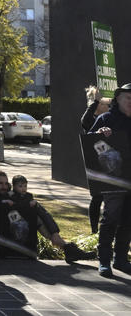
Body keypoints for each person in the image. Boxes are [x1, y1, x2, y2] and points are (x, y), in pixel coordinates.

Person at [0, 171, 94, 268]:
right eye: (0, 183)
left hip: (11, 230)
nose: (4, 186)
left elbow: (42, 212)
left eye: (6, 183)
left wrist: (54, 232)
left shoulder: (13, 195)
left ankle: (67, 248)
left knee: (36, 214)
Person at [89, 83, 131, 277]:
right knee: (111, 218)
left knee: (129, 220)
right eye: (128, 98)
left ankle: (121, 259)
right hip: (113, 180)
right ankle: (104, 260)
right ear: (118, 99)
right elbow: (89, 141)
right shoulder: (107, 118)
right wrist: (99, 135)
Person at [81, 86, 111, 234]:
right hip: (97, 164)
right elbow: (85, 120)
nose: (108, 105)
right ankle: (94, 231)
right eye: (104, 102)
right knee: (97, 197)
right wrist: (97, 99)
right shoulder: (91, 120)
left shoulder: (112, 118)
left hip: (112, 164)